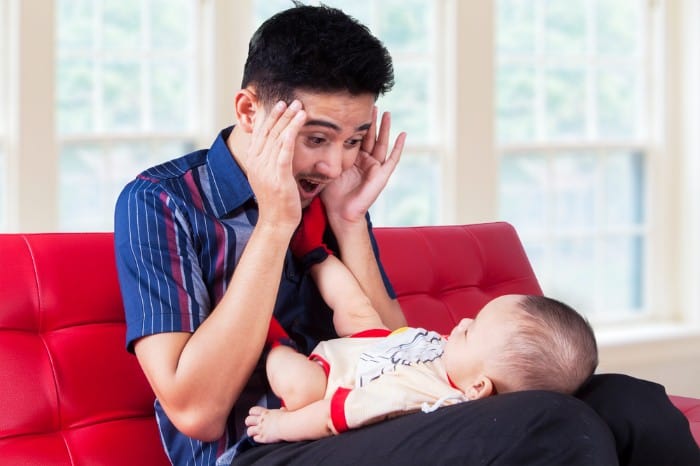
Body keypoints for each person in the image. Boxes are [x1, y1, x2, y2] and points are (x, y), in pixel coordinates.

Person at [113, 3, 699, 466]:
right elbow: (196, 413)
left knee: (633, 404)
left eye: (353, 139)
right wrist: (275, 223)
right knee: (553, 423)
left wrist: (348, 223)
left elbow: (395, 347)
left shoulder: (333, 192)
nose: (338, 165)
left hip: (384, 412)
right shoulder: (161, 202)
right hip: (269, 445)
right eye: (316, 139)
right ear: (249, 110)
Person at [245, 198, 599, 443]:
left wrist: (281, 424)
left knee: (297, 384)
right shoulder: (462, 362)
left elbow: (333, 415)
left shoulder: (416, 396)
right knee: (357, 308)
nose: (460, 323)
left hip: (333, 380)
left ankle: (268, 332)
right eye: (472, 319)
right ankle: (313, 253)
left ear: (478, 388)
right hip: (378, 345)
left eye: (470, 331)